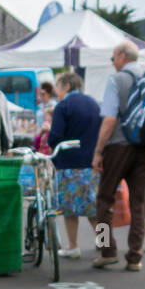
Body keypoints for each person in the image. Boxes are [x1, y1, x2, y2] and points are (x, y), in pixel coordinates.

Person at [89, 40, 145, 271]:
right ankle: (135, 256)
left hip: (119, 146)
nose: (113, 63)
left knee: (104, 199)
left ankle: (106, 250)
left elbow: (110, 119)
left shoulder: (116, 80)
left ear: (121, 56)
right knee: (139, 203)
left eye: (113, 58)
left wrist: (99, 151)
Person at [48, 71, 102, 259]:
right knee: (95, 209)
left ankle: (72, 246)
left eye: (58, 86)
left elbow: (54, 137)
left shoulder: (63, 107)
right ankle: (105, 245)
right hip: (93, 164)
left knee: (69, 210)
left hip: (69, 165)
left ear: (67, 86)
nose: (57, 91)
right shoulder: (94, 104)